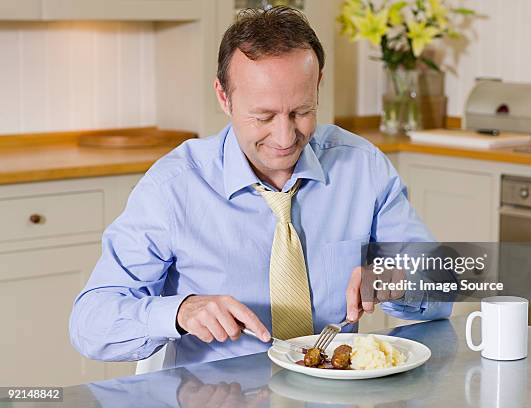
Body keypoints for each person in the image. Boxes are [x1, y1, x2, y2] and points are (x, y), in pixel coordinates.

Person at [69, 6, 451, 367]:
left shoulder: (362, 167)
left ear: (318, 85)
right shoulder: (174, 187)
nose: (285, 137)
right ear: (224, 96)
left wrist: (402, 280)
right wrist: (180, 311)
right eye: (263, 116)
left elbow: (445, 280)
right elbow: (90, 323)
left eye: (301, 112)